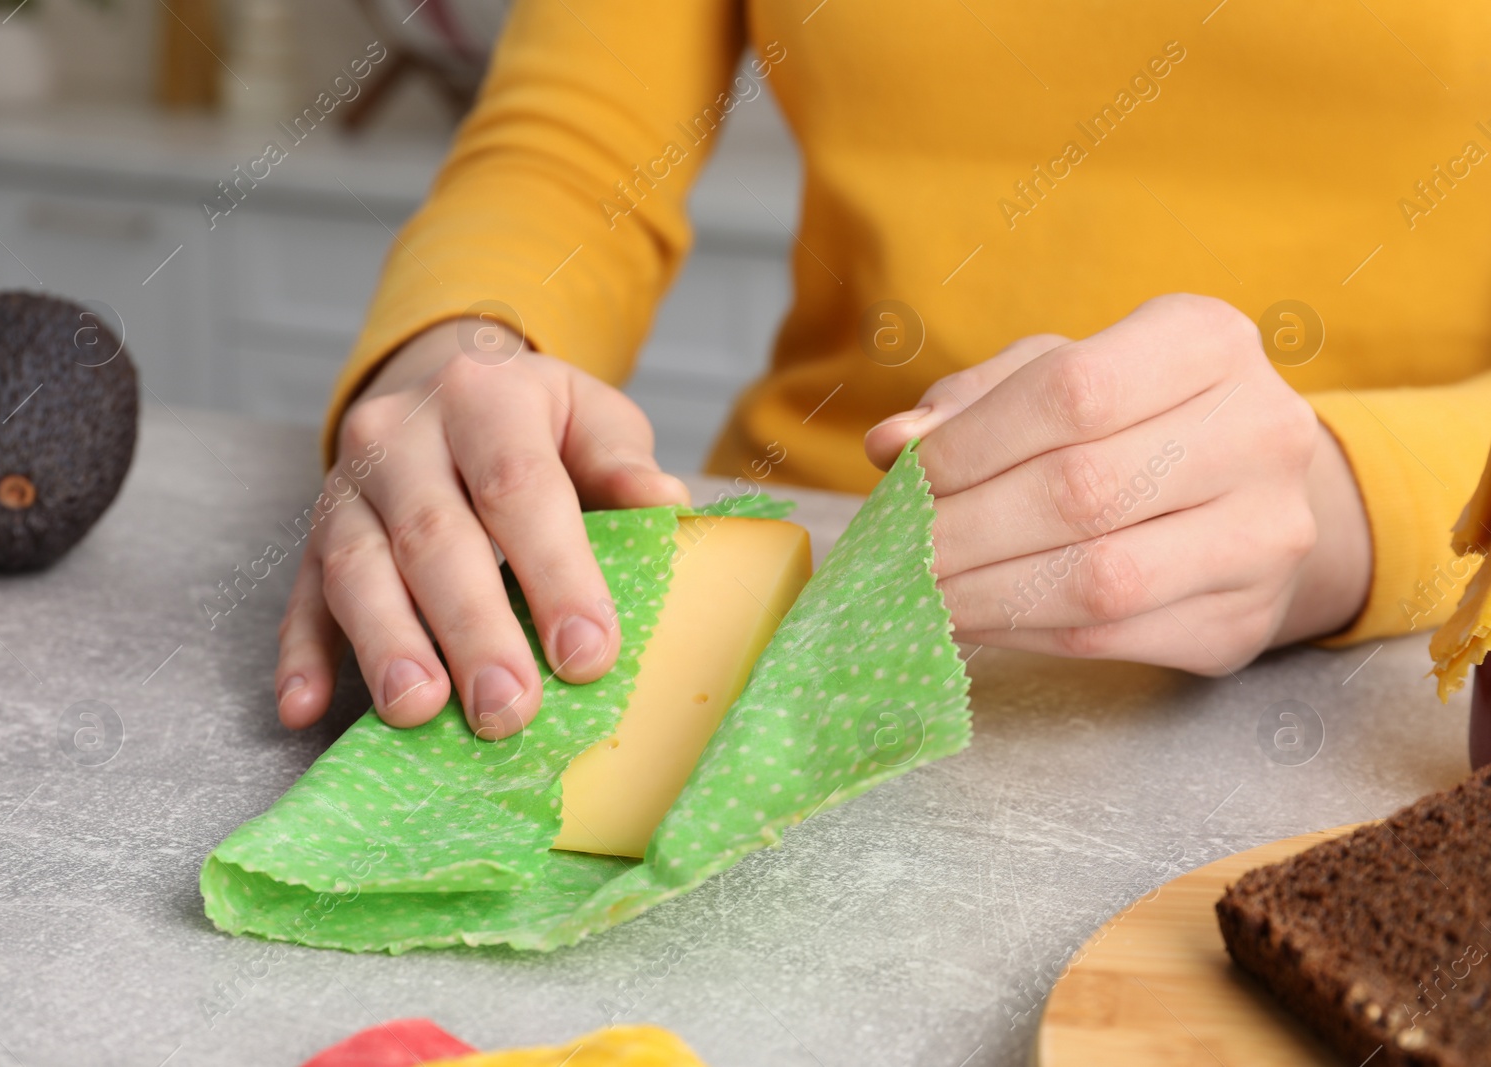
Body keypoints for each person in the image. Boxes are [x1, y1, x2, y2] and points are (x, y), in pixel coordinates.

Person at [273, 2, 1491, 738]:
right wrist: (459, 358)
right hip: (805, 604)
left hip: (1394, 671)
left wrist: (1342, 505)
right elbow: (566, 153)